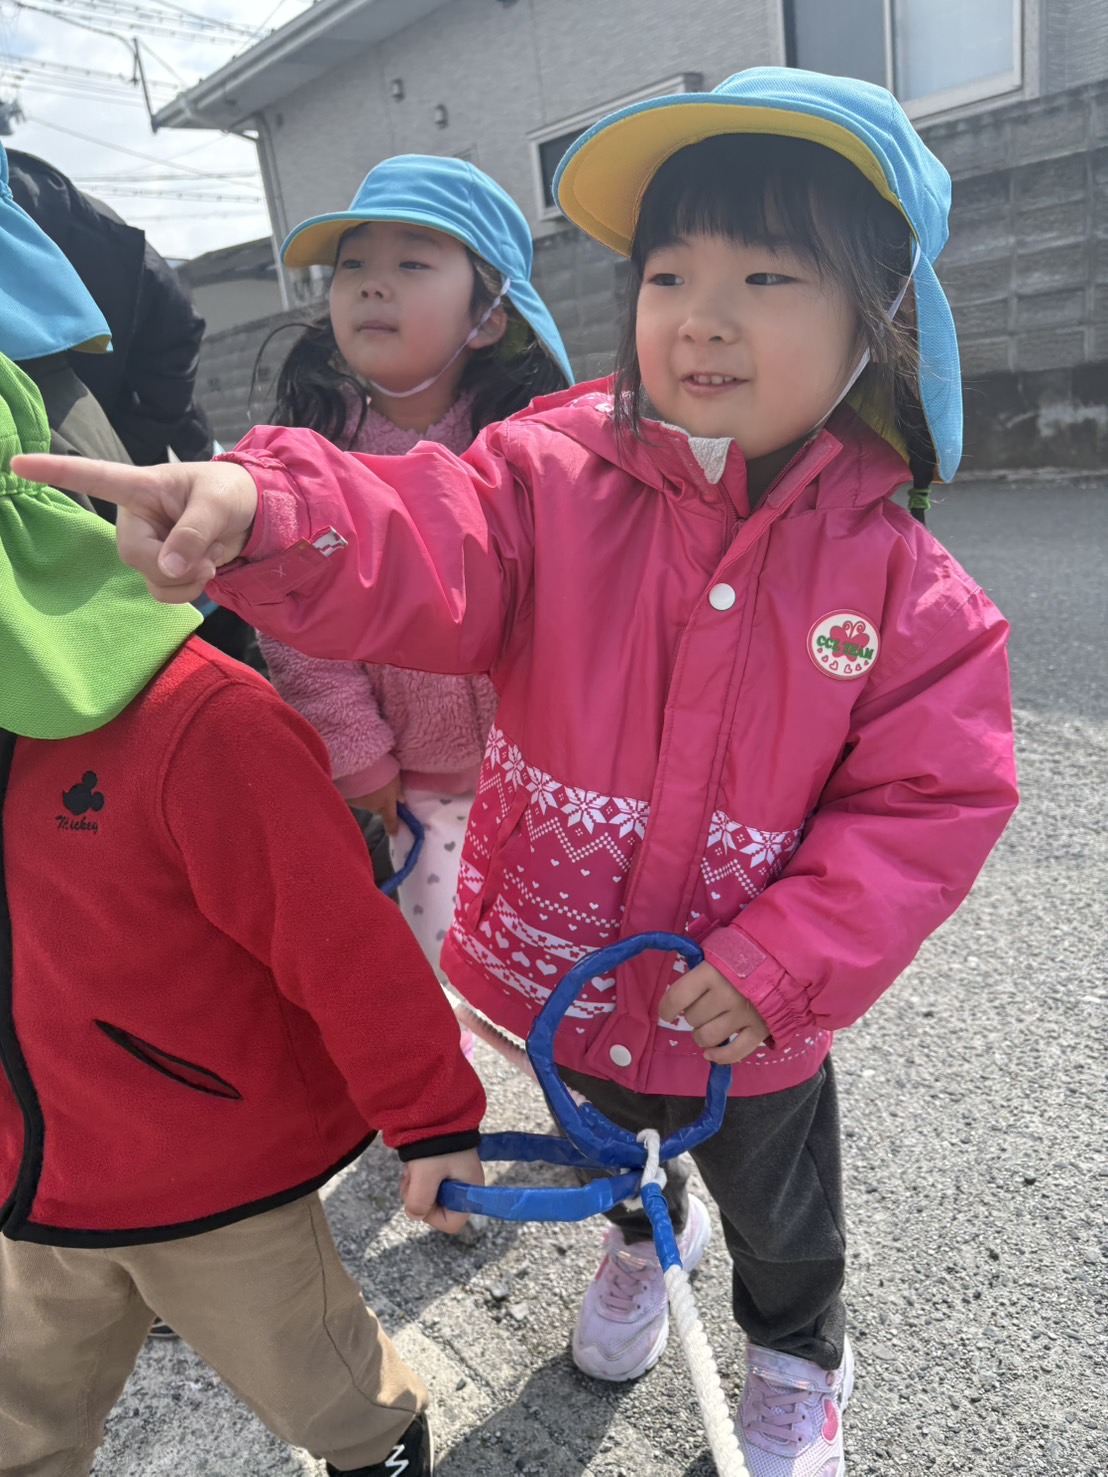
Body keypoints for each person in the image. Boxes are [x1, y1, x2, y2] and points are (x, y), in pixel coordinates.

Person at [18, 69, 1020, 1476]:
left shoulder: (911, 591)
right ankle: (641, 1246)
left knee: (782, 1207)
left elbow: (930, 805)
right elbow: (420, 530)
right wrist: (266, 506)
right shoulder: (551, 478)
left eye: (767, 277)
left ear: (881, 316)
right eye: (667, 275)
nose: (703, 315)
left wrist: (788, 960)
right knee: (609, 1145)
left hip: (754, 1011)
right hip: (576, 972)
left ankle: (799, 1351)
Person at [0, 354, 483, 1477]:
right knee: (21, 1416)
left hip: (207, 1172)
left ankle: (383, 1447)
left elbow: (343, 943)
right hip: (27, 1173)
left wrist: (432, 1117)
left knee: (323, 1382)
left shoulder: (200, 721)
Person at [256, 155, 572, 977]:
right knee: (455, 967)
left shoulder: (535, 451)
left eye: (411, 263)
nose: (371, 283)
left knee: (567, 953)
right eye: (352, 265)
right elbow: (300, 628)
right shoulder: (310, 461)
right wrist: (357, 751)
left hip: (549, 771)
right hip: (413, 782)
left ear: (491, 317)